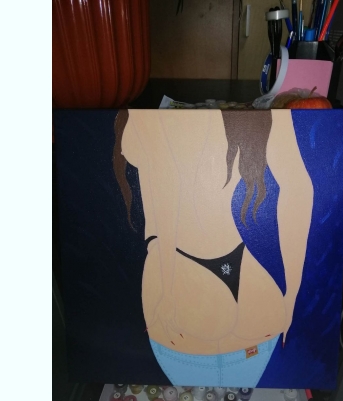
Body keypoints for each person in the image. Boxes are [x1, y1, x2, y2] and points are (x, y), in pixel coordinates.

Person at [113, 109, 313, 386]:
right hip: (255, 291)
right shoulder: (267, 112)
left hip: (180, 280)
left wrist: (169, 296)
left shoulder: (147, 117)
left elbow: (166, 190)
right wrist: (291, 296)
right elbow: (298, 187)